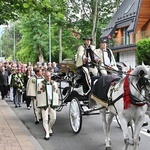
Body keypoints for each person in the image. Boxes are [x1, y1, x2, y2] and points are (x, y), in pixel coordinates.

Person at [36, 71, 58, 140]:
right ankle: (47, 133)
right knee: (45, 119)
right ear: (44, 76)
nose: (48, 77)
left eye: (49, 76)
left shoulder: (54, 83)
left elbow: (56, 93)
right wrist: (39, 103)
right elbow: (39, 94)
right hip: (44, 103)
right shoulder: (41, 84)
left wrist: (56, 102)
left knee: (54, 118)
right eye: (47, 76)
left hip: (52, 103)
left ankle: (49, 128)